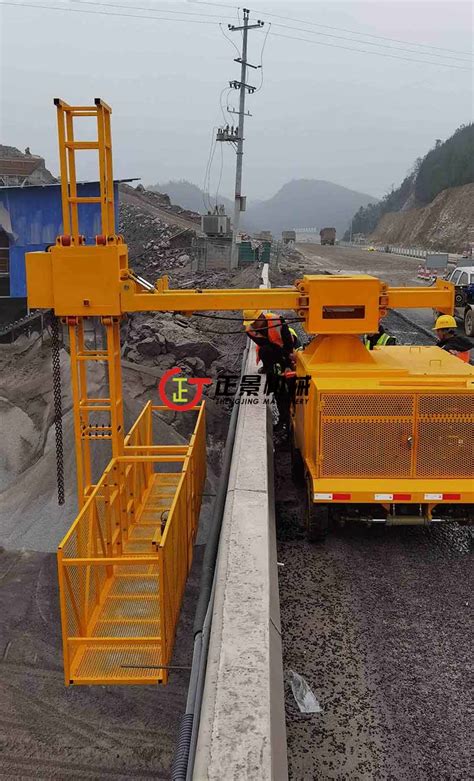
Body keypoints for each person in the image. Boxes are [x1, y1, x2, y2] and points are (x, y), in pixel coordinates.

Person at [242, 309, 300, 429]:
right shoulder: (250, 331)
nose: (252, 324)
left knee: (291, 384)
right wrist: (275, 369)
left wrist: (288, 364)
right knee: (278, 388)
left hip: (290, 346)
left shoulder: (277, 320)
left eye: (254, 322)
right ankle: (284, 418)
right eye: (251, 322)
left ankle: (293, 415)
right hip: (273, 353)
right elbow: (268, 347)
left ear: (261, 317)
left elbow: (288, 342)